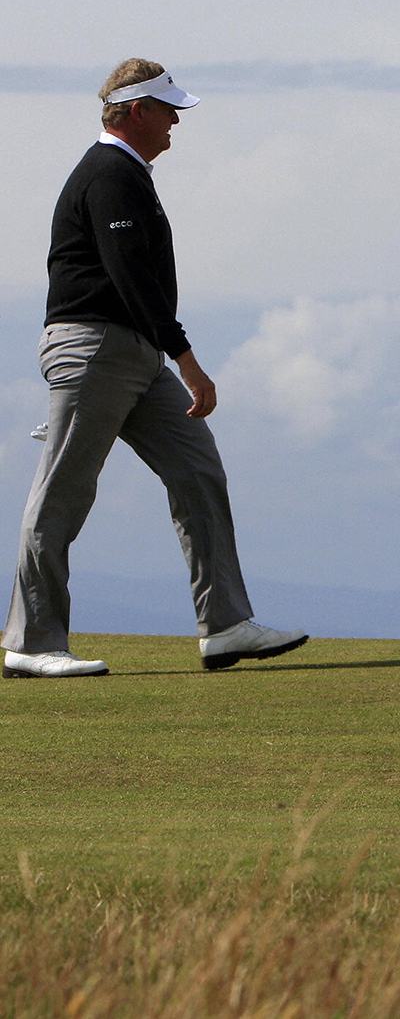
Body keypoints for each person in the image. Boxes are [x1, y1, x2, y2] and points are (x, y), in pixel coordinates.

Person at [2, 60, 308, 678]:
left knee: (197, 469)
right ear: (137, 111)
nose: (175, 123)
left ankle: (224, 626)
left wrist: (164, 352)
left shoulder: (129, 174)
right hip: (94, 348)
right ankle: (32, 643)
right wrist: (188, 360)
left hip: (133, 351)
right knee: (63, 490)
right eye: (169, 110)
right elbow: (129, 274)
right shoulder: (109, 173)